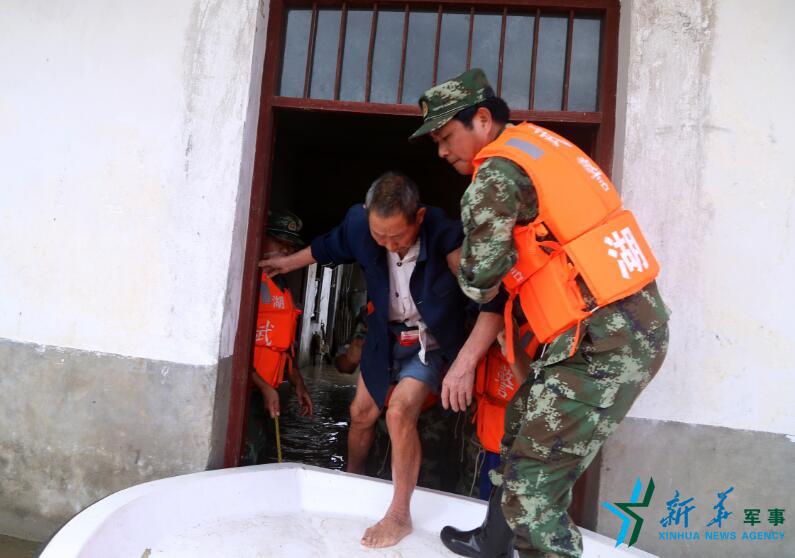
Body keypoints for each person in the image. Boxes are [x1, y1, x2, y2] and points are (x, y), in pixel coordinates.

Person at [411, 68, 671, 558]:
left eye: (445, 137)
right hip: (610, 331)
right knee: (520, 432)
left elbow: (481, 278)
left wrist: (456, 260)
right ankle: (492, 543)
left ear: (481, 120)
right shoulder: (539, 145)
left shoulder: (494, 174)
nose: (442, 152)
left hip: (601, 345)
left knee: (533, 492)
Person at [259, 171, 502, 548]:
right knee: (360, 414)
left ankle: (399, 515)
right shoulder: (359, 225)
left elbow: (490, 299)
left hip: (429, 340)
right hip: (383, 339)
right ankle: (353, 482)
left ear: (418, 217)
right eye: (379, 236)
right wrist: (288, 264)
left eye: (398, 237)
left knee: (399, 412)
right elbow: (326, 247)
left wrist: (465, 363)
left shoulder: (445, 235)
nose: (389, 245)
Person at [251, 210, 313, 421]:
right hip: (249, 389)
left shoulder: (282, 286)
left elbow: (283, 347)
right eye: (278, 242)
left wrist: (299, 384)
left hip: (267, 391)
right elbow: (237, 350)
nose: (286, 250)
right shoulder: (248, 281)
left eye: (290, 246)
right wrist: (263, 387)